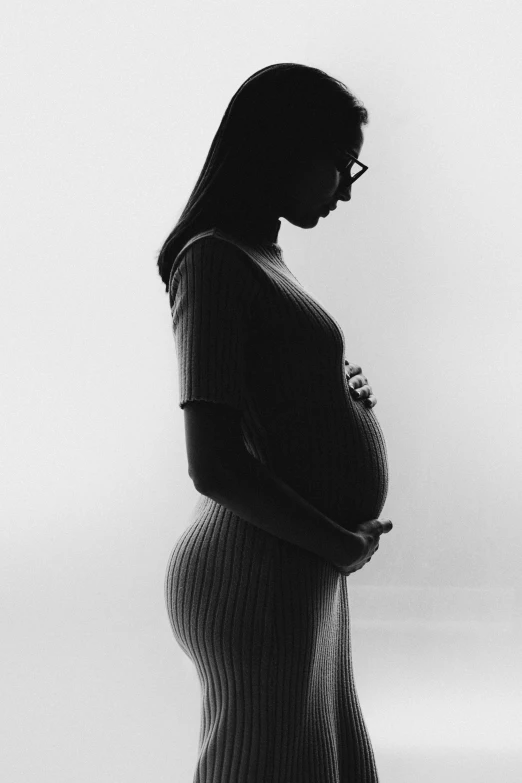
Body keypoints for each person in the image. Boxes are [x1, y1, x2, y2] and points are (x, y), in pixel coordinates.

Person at [157, 63, 393, 783]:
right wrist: (338, 544)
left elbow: (271, 398)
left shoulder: (261, 257)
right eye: (337, 165)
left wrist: (338, 392)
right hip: (257, 570)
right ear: (285, 149)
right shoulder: (213, 261)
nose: (346, 187)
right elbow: (215, 462)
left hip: (299, 565)